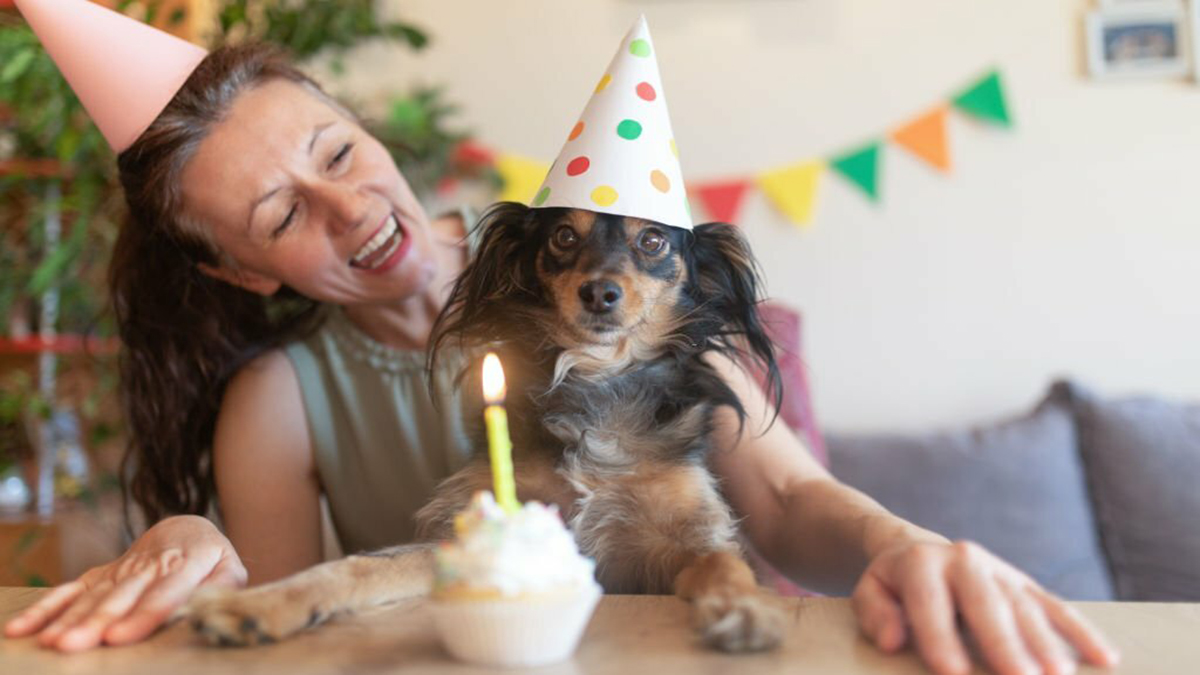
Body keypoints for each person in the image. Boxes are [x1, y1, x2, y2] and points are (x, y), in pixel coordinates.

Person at [4, 5, 1118, 675]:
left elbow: (783, 501)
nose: (347, 210)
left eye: (334, 153)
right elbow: (294, 632)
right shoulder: (284, 400)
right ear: (242, 272)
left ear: (363, 126)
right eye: (282, 215)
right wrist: (196, 531)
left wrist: (902, 543)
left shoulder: (637, 307)